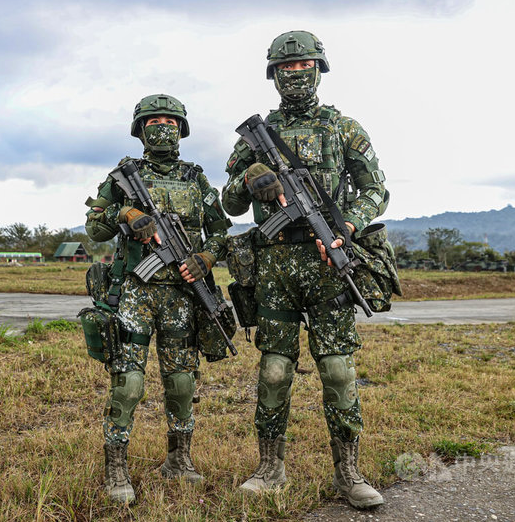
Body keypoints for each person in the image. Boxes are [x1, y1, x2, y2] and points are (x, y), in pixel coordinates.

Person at [221, 31, 388, 509]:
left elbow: (376, 188)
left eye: (305, 67)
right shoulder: (256, 136)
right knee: (274, 371)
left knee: (338, 370)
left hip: (327, 261)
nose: (297, 74)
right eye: (287, 69)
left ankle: (349, 472)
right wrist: (252, 177)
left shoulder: (343, 128)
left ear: (320, 70)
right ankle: (270, 468)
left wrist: (348, 224)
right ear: (274, 76)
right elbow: (228, 202)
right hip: (274, 266)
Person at [85, 94, 230, 503]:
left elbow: (221, 230)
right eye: (153, 120)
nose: (162, 126)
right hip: (134, 292)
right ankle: (116, 469)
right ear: (140, 129)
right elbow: (94, 227)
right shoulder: (121, 178)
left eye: (169, 120)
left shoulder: (196, 179)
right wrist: (124, 216)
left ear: (181, 128)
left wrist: (205, 257)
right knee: (128, 383)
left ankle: (178, 460)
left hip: (182, 295)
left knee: (182, 383)